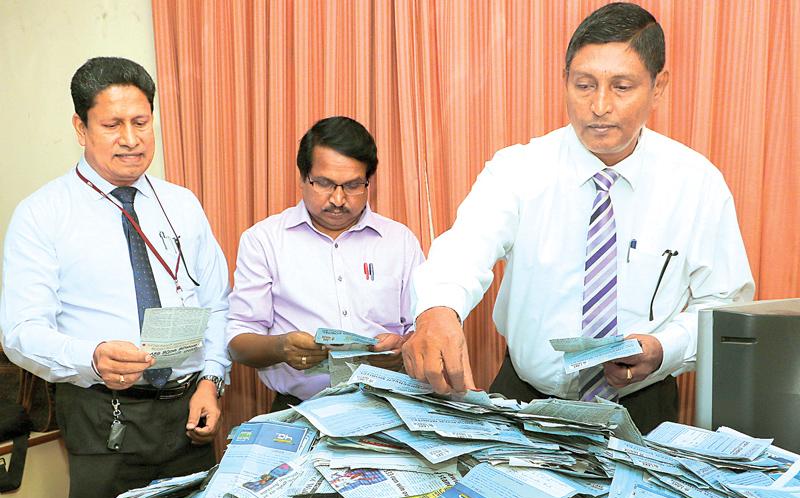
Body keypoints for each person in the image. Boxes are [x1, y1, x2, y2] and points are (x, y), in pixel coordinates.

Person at [402, 2, 754, 433]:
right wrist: (437, 310)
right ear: (564, 80)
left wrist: (664, 348)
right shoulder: (518, 169)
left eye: (622, 87)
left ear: (658, 87)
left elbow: (723, 305)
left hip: (642, 405)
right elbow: (466, 246)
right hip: (525, 397)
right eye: (584, 85)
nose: (599, 106)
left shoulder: (697, 184)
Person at [0, 57, 230, 498]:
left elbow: (217, 303)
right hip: (103, 416)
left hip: (187, 415)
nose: (131, 138)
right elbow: (20, 331)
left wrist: (211, 379)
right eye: (112, 124)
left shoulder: (182, 205)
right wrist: (92, 356)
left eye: (141, 122)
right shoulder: (42, 214)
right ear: (81, 128)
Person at [227, 116, 424, 411]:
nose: (338, 199)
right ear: (303, 177)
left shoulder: (400, 240)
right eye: (324, 183)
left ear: (369, 181)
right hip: (299, 408)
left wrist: (404, 346)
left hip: (389, 406)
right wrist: (281, 347)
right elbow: (238, 340)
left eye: (353, 185)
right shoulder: (264, 240)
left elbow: (424, 325)